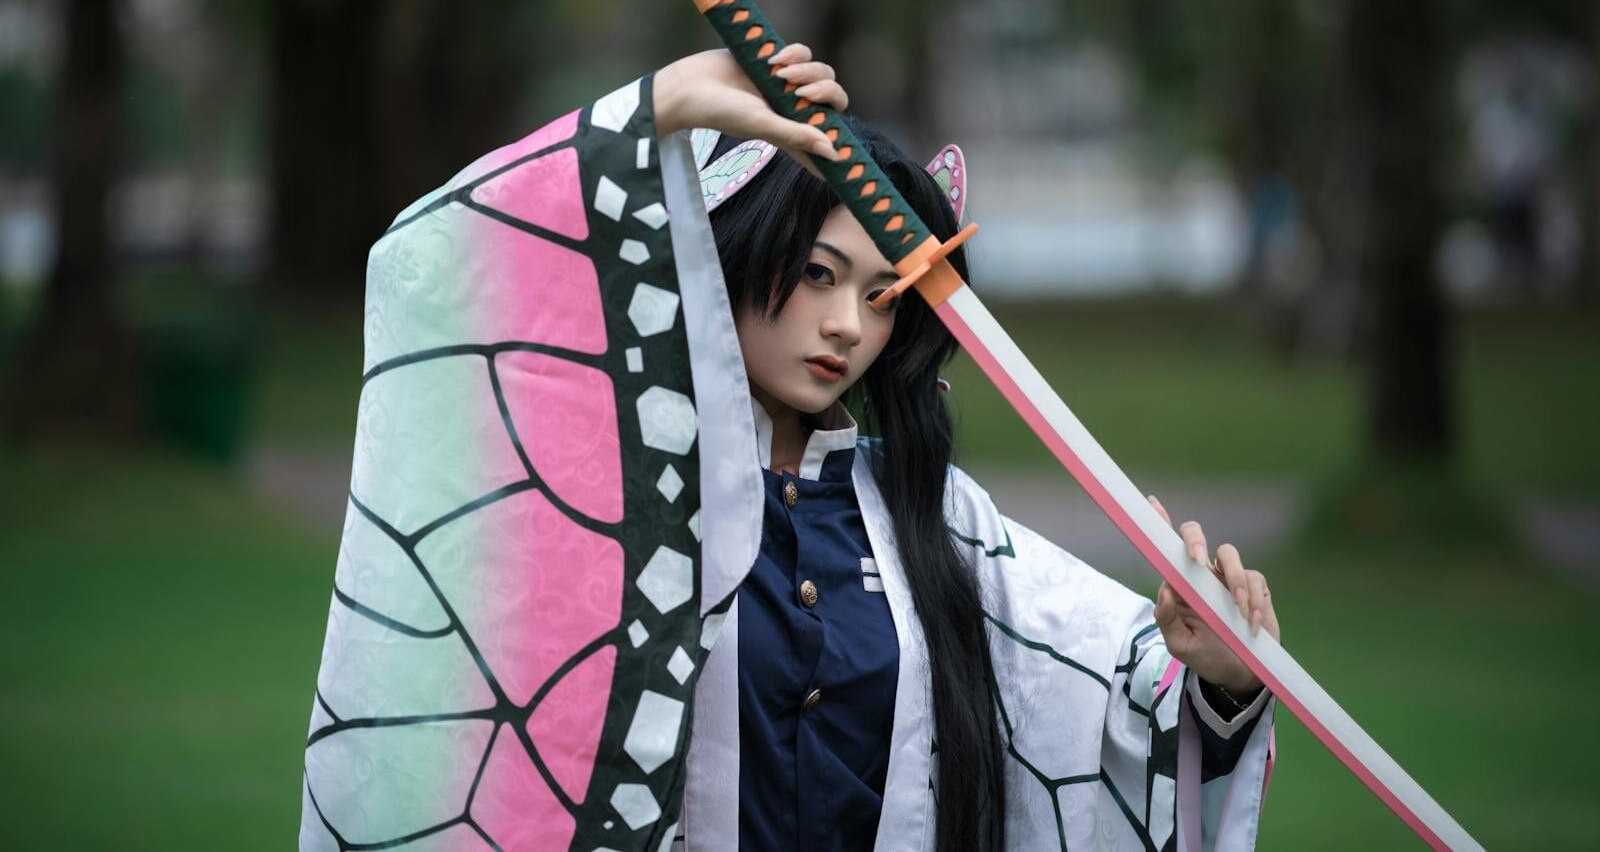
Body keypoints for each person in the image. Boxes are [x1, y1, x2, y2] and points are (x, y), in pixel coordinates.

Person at [301, 43, 1280, 852]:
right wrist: (658, 109)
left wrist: (1219, 679)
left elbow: (1110, 698)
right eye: (817, 272)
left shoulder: (931, 516)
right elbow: (431, 269)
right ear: (735, 249)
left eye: (882, 295)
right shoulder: (607, 482)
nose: (848, 324)